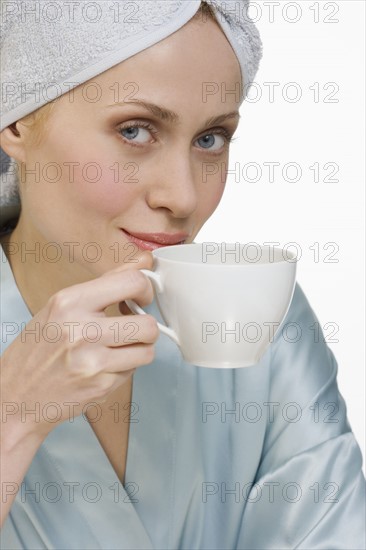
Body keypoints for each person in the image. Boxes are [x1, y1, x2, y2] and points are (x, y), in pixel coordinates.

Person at [0, 1, 365, 548]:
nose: (183, 196)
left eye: (210, 139)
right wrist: (15, 418)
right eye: (135, 130)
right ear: (17, 122)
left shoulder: (259, 316)